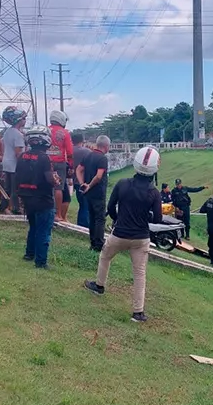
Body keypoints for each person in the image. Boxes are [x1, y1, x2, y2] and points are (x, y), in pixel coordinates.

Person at [83, 146, 163, 323]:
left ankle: (99, 286)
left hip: (119, 234)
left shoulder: (122, 184)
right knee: (140, 273)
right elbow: (157, 218)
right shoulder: (154, 193)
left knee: (105, 257)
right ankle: (138, 312)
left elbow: (111, 207)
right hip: (141, 238)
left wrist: (118, 219)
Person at [15, 126, 59, 269]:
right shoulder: (44, 157)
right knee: (44, 231)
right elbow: (48, 179)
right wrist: (56, 180)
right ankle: (40, 261)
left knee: (33, 227)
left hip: (27, 198)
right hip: (43, 200)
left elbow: (17, 177)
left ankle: (29, 254)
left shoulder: (22, 156)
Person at [75, 135, 111, 251]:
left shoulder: (88, 155)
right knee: (100, 219)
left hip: (88, 193)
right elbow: (99, 176)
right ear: (106, 146)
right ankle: (99, 244)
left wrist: (82, 183)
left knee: (92, 217)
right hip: (98, 193)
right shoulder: (102, 159)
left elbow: (78, 170)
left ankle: (92, 242)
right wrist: (90, 185)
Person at [46, 110, 75, 223]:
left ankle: (48, 211)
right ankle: (58, 214)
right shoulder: (65, 133)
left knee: (47, 188)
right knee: (59, 188)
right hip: (60, 162)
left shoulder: (46, 130)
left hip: (46, 162)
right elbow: (70, 152)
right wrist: (71, 166)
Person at [0, 107, 28, 215]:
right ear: (19, 120)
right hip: (15, 165)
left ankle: (4, 206)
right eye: (24, 118)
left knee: (7, 187)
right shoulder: (18, 134)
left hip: (7, 163)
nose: (25, 121)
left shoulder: (8, 132)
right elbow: (18, 153)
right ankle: (15, 208)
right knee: (15, 188)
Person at [70, 132, 92, 229]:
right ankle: (84, 225)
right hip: (84, 181)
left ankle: (81, 223)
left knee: (82, 204)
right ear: (82, 140)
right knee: (85, 205)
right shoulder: (87, 152)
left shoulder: (70, 151)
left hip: (74, 180)